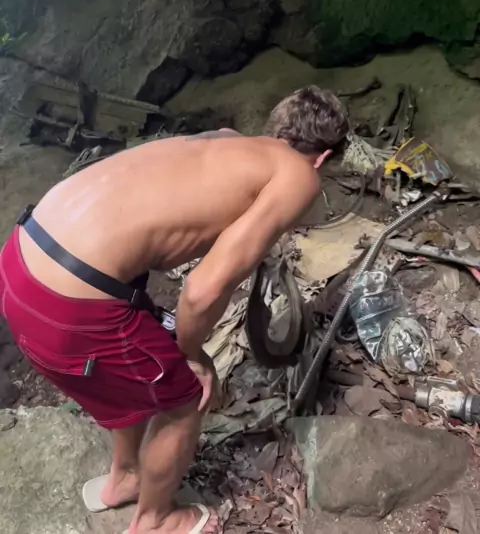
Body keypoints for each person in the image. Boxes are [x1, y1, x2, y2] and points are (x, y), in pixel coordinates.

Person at [0, 85, 348, 534]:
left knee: (142, 361)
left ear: (278, 127)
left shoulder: (225, 140)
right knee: (184, 398)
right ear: (322, 157)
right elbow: (202, 290)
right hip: (66, 301)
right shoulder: (299, 175)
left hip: (21, 259)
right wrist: (194, 355)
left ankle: (124, 478)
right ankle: (156, 519)